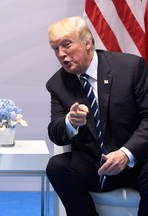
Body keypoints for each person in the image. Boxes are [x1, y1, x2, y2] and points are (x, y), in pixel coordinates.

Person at [45, 16, 148, 216]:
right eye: (55, 48)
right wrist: (69, 123)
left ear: (88, 42)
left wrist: (126, 154)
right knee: (57, 167)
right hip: (95, 165)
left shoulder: (130, 68)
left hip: (136, 161)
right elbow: (55, 132)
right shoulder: (57, 84)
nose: (61, 54)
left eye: (66, 44)